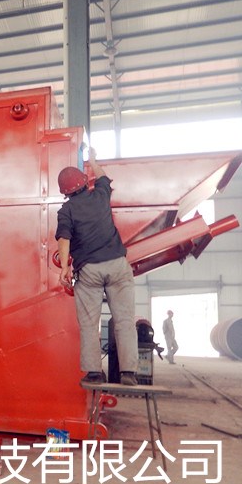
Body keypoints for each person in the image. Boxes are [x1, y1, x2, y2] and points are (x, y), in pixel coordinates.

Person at [55, 148, 139, 386]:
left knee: (89, 323)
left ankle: (94, 372)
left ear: (65, 192)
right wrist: (92, 161)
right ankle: (128, 373)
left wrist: (64, 267)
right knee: (124, 320)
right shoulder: (101, 195)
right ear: (84, 182)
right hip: (117, 265)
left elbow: (64, 238)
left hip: (89, 270)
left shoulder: (66, 211)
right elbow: (103, 177)